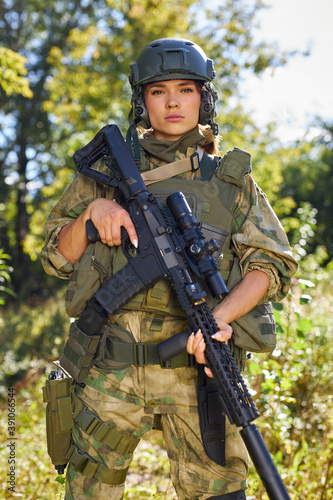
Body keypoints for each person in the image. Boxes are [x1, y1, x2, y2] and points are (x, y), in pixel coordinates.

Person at [41, 38, 298, 500]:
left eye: (186, 89)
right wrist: (91, 215)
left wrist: (219, 320)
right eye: (159, 91)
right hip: (110, 368)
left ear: (205, 97)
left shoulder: (229, 180)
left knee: (220, 491)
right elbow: (56, 259)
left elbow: (270, 264)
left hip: (199, 370)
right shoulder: (104, 174)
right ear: (142, 101)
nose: (174, 101)